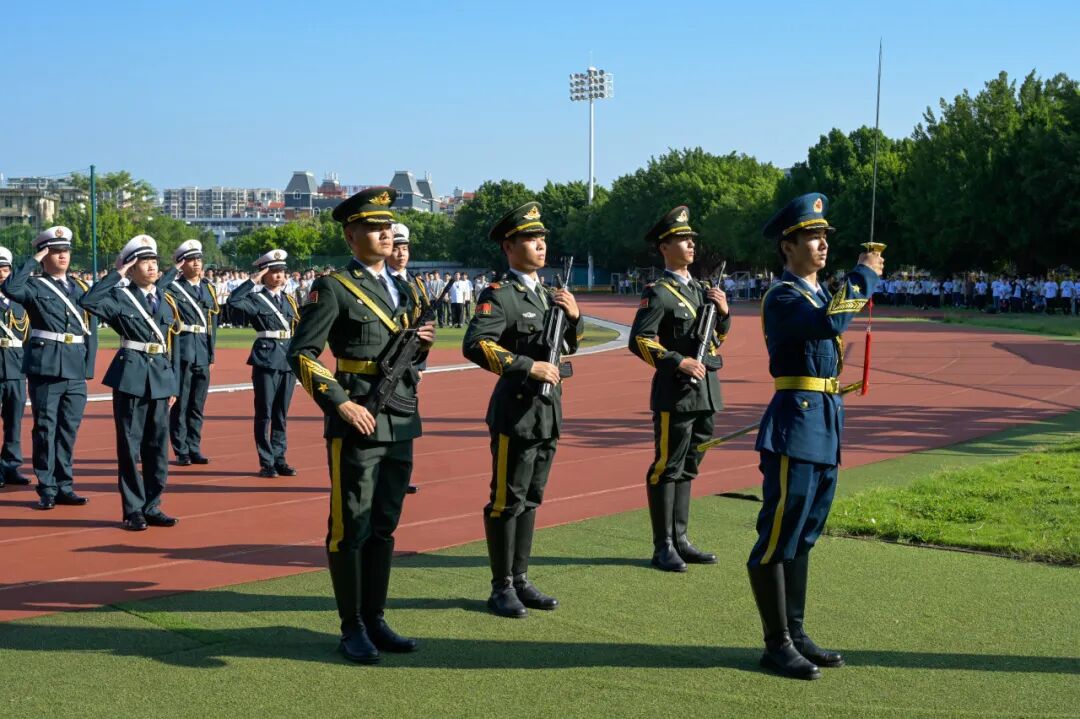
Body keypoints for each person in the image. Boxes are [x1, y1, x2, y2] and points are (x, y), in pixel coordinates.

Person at [288, 186, 434, 664]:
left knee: (385, 525)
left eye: (388, 226)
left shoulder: (406, 288)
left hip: (401, 415)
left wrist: (421, 345)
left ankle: (375, 618)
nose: (386, 234)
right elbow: (302, 354)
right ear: (351, 236)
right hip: (358, 417)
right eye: (374, 227)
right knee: (351, 524)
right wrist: (340, 405)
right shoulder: (333, 287)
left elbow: (409, 358)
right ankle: (351, 625)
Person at [748, 193, 883, 680]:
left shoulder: (820, 293)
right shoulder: (783, 296)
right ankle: (776, 643)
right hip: (796, 425)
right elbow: (832, 323)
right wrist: (864, 275)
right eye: (811, 236)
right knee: (777, 536)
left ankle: (797, 633)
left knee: (804, 534)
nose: (823, 243)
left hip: (824, 422)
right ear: (788, 246)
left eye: (824, 236)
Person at [462, 201, 583, 619]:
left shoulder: (549, 295)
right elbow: (476, 344)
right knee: (506, 500)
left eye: (542, 238)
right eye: (531, 238)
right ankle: (501, 587)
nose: (540, 244)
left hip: (547, 412)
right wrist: (527, 366)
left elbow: (568, 345)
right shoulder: (500, 295)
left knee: (531, 498)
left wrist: (574, 316)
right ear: (509, 247)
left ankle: (521, 578)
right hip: (515, 412)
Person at [628, 206, 731, 572]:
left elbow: (715, 340)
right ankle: (663, 546)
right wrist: (677, 361)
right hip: (676, 392)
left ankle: (681, 539)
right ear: (664, 247)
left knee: (689, 465)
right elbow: (639, 340)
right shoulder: (659, 292)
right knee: (667, 467)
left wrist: (724, 314)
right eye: (682, 239)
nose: (690, 244)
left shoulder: (703, 290)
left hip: (706, 391)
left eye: (691, 239)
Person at [79, 235, 181, 530]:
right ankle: (133, 509)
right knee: (129, 447)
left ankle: (153, 505)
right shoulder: (120, 297)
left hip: (160, 378)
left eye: (153, 261)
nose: (151, 266)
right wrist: (117, 273)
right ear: (131, 268)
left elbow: (170, 343)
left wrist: (172, 383)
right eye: (143, 262)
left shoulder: (166, 299)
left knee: (157, 447)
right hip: (131, 376)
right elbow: (88, 300)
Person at [2, 226, 98, 510]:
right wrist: (33, 260)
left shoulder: (80, 288)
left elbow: (90, 330)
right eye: (55, 251)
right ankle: (47, 487)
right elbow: (10, 288)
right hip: (46, 366)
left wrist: (88, 368)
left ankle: (65, 485)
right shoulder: (33, 286)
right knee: (45, 428)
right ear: (44, 255)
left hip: (75, 367)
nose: (62, 256)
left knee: (68, 430)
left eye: (65, 250)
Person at [227, 249, 299, 478]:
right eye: (273, 271)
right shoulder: (256, 299)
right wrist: (253, 280)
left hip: (287, 360)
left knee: (281, 413)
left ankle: (280, 458)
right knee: (265, 412)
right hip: (267, 359)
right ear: (264, 274)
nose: (279, 276)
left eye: (282, 271)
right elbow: (233, 300)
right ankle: (267, 461)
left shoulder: (289, 300)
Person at [164, 240, 219, 465]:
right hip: (184, 349)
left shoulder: (208, 288)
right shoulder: (174, 288)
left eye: (198, 259)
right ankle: (181, 449)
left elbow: (212, 324)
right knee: (181, 403)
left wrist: (212, 353)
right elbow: (157, 288)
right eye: (190, 260)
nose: (196, 263)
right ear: (181, 263)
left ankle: (194, 446)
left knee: (197, 404)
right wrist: (173, 270)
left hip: (203, 351)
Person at [0, 247, 30, 488]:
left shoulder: (21, 301)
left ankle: (10, 466)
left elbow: (28, 336)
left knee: (14, 421)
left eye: (5, 268)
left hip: (16, 368)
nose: (1, 273)